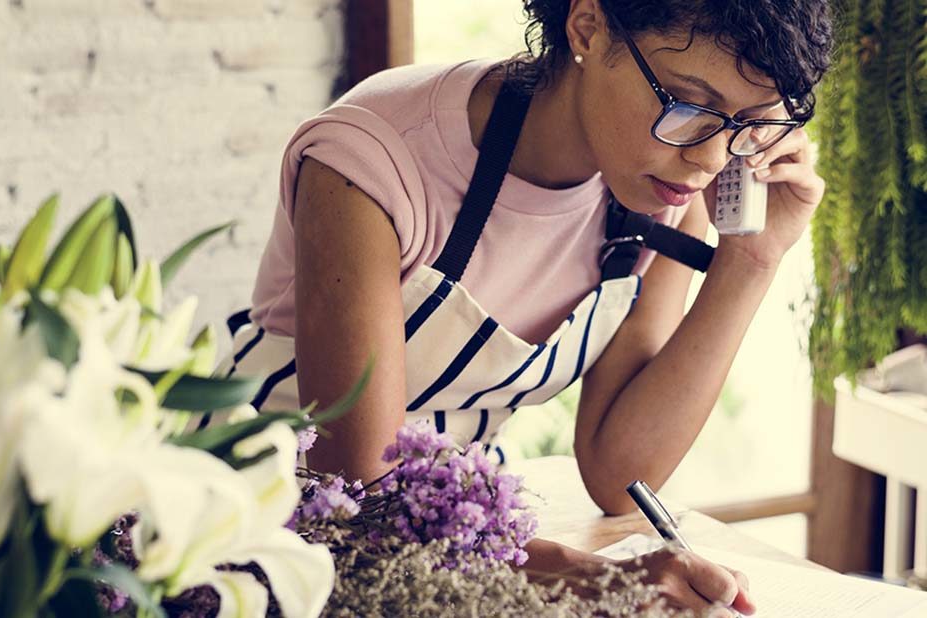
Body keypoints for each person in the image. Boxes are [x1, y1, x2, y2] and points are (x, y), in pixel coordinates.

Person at [226, 0, 833, 614]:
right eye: (685, 103)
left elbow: (620, 472)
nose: (710, 159)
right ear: (588, 26)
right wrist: (601, 579)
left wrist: (752, 261)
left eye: (752, 122)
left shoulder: (667, 184)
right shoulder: (371, 160)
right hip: (259, 527)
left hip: (464, 549)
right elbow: (362, 494)